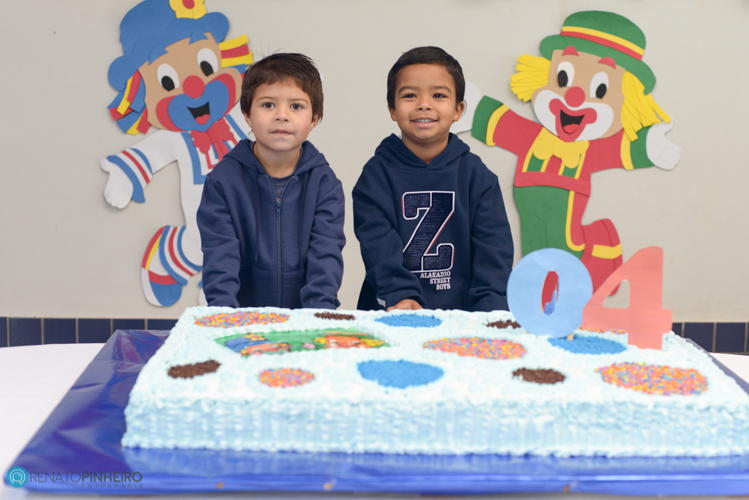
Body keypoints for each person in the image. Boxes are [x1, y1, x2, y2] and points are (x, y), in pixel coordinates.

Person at [353, 46, 513, 312]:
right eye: (410, 95)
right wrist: (399, 295)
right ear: (393, 109)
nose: (423, 104)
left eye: (438, 95)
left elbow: (494, 249)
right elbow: (377, 243)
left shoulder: (477, 177)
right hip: (393, 312)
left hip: (464, 316)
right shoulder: (376, 175)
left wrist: (491, 307)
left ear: (458, 109)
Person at [197, 53, 345, 309]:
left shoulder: (324, 183)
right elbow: (220, 256)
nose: (281, 115)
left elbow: (326, 258)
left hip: (306, 320)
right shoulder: (223, 181)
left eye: (296, 106)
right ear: (247, 113)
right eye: (268, 105)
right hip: (241, 320)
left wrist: (317, 318)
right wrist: (224, 316)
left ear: (314, 118)